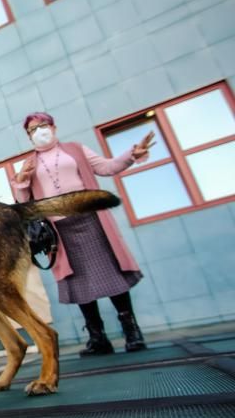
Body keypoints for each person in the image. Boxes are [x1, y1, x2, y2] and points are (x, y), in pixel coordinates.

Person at [12, 112, 153, 356]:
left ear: (53, 127)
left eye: (42, 125)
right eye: (32, 130)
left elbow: (107, 167)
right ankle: (98, 338)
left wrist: (131, 154)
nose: (38, 132)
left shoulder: (75, 149)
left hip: (91, 220)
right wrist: (22, 180)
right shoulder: (29, 163)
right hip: (60, 230)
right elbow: (23, 203)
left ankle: (132, 331)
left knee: (111, 272)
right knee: (77, 281)